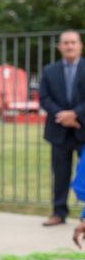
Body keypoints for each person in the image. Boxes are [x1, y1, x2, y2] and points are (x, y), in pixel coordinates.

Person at [39, 30, 85, 227]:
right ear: (59, 46)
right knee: (60, 174)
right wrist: (63, 116)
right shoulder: (50, 70)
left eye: (73, 42)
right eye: (65, 43)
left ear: (80, 45)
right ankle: (59, 212)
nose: (69, 46)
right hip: (58, 131)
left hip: (82, 128)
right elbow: (44, 97)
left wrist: (75, 114)